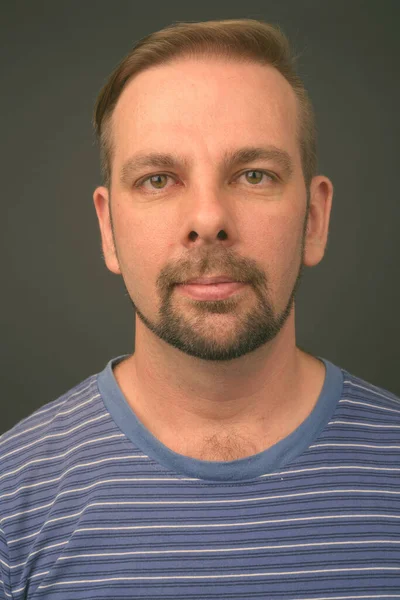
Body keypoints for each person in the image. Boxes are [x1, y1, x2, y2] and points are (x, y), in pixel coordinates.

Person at [1, 18, 399, 599]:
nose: (208, 219)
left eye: (254, 174)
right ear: (108, 229)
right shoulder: (12, 500)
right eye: (159, 179)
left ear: (314, 219)